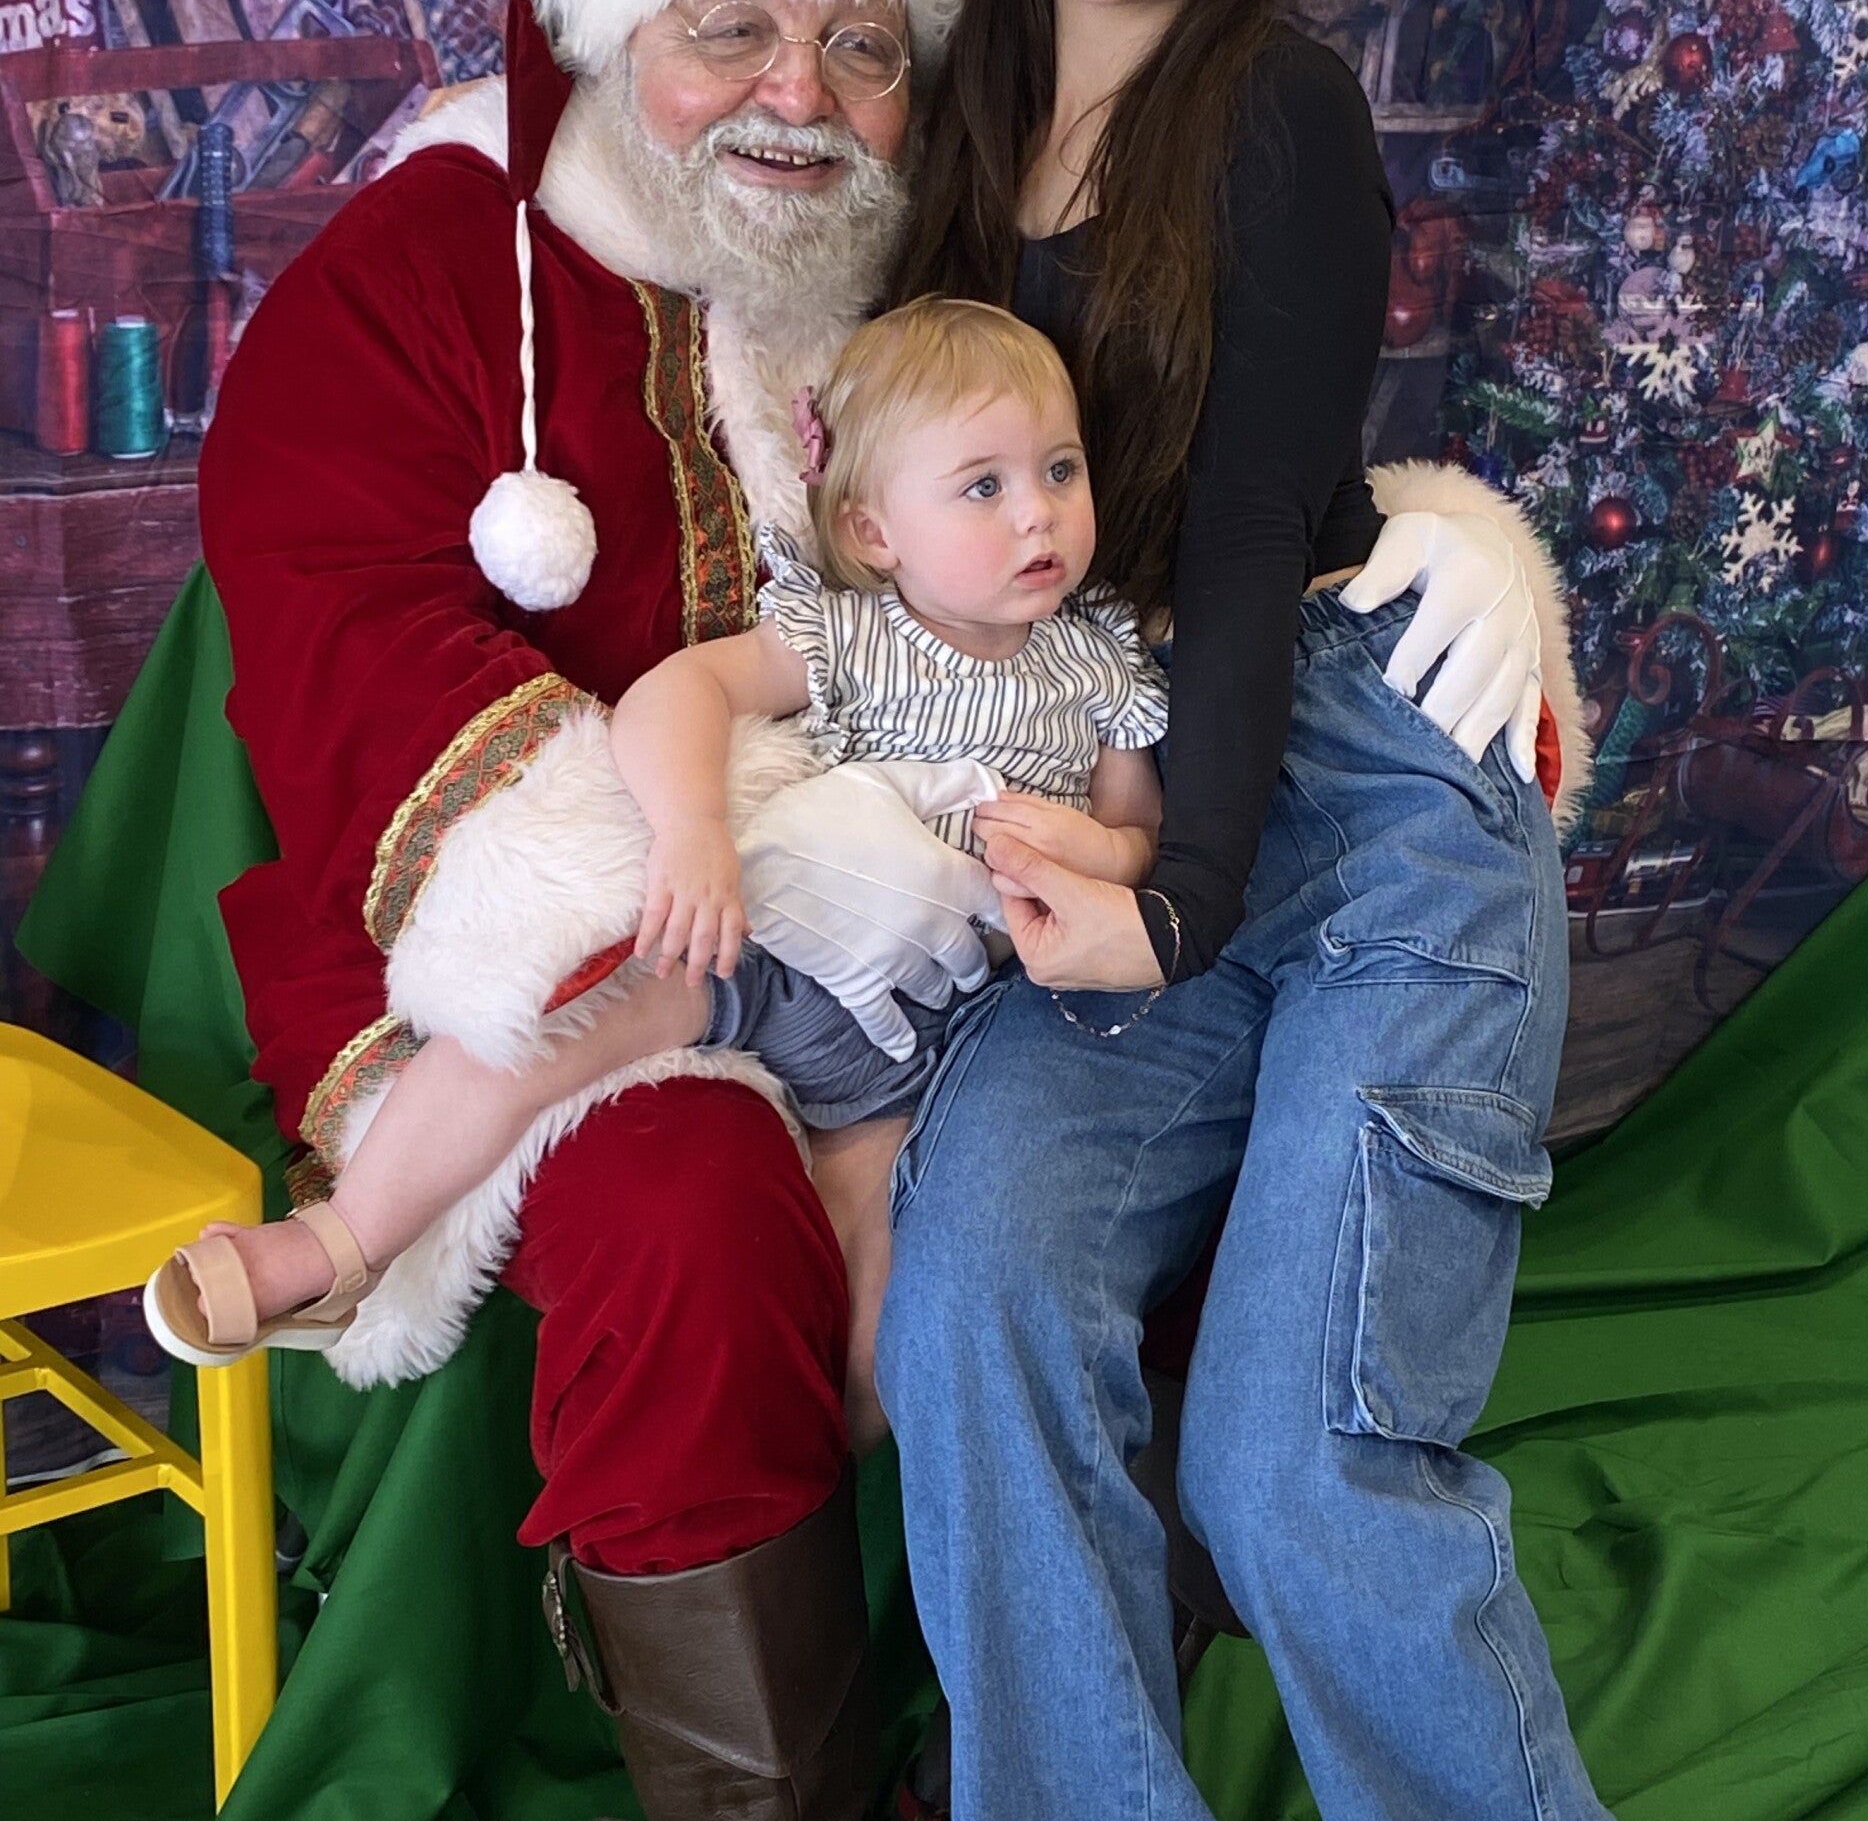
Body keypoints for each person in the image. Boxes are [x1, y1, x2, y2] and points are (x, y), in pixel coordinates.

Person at [163, 0, 1572, 1821]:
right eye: (729, 30)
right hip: (577, 931)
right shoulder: (427, 276)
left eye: (859, 43)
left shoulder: (944, 267)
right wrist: (759, 865)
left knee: (1139, 1176)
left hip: (961, 925)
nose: (798, 95)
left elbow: (1184, 516)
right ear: (615, 33)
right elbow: (350, 653)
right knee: (689, 1207)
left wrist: (1431, 550)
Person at [876, 0, 1697, 1821]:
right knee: (972, 1290)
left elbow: (1248, 538)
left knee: (1286, 1446)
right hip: (1137, 787)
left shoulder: (1278, 113)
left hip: (1345, 810)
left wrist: (1182, 904)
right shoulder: (948, 109)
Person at [146, 296, 1168, 1459]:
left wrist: (1090, 853)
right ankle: (337, 1248)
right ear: (877, 531)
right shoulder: (853, 632)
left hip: (931, 1036)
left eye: (1059, 469)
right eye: (984, 486)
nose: (1038, 512)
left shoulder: (1100, 662)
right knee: (532, 1038)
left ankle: (816, 1499)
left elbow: (1138, 831)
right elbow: (679, 692)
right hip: (774, 954)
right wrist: (694, 833)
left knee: (880, 1324)